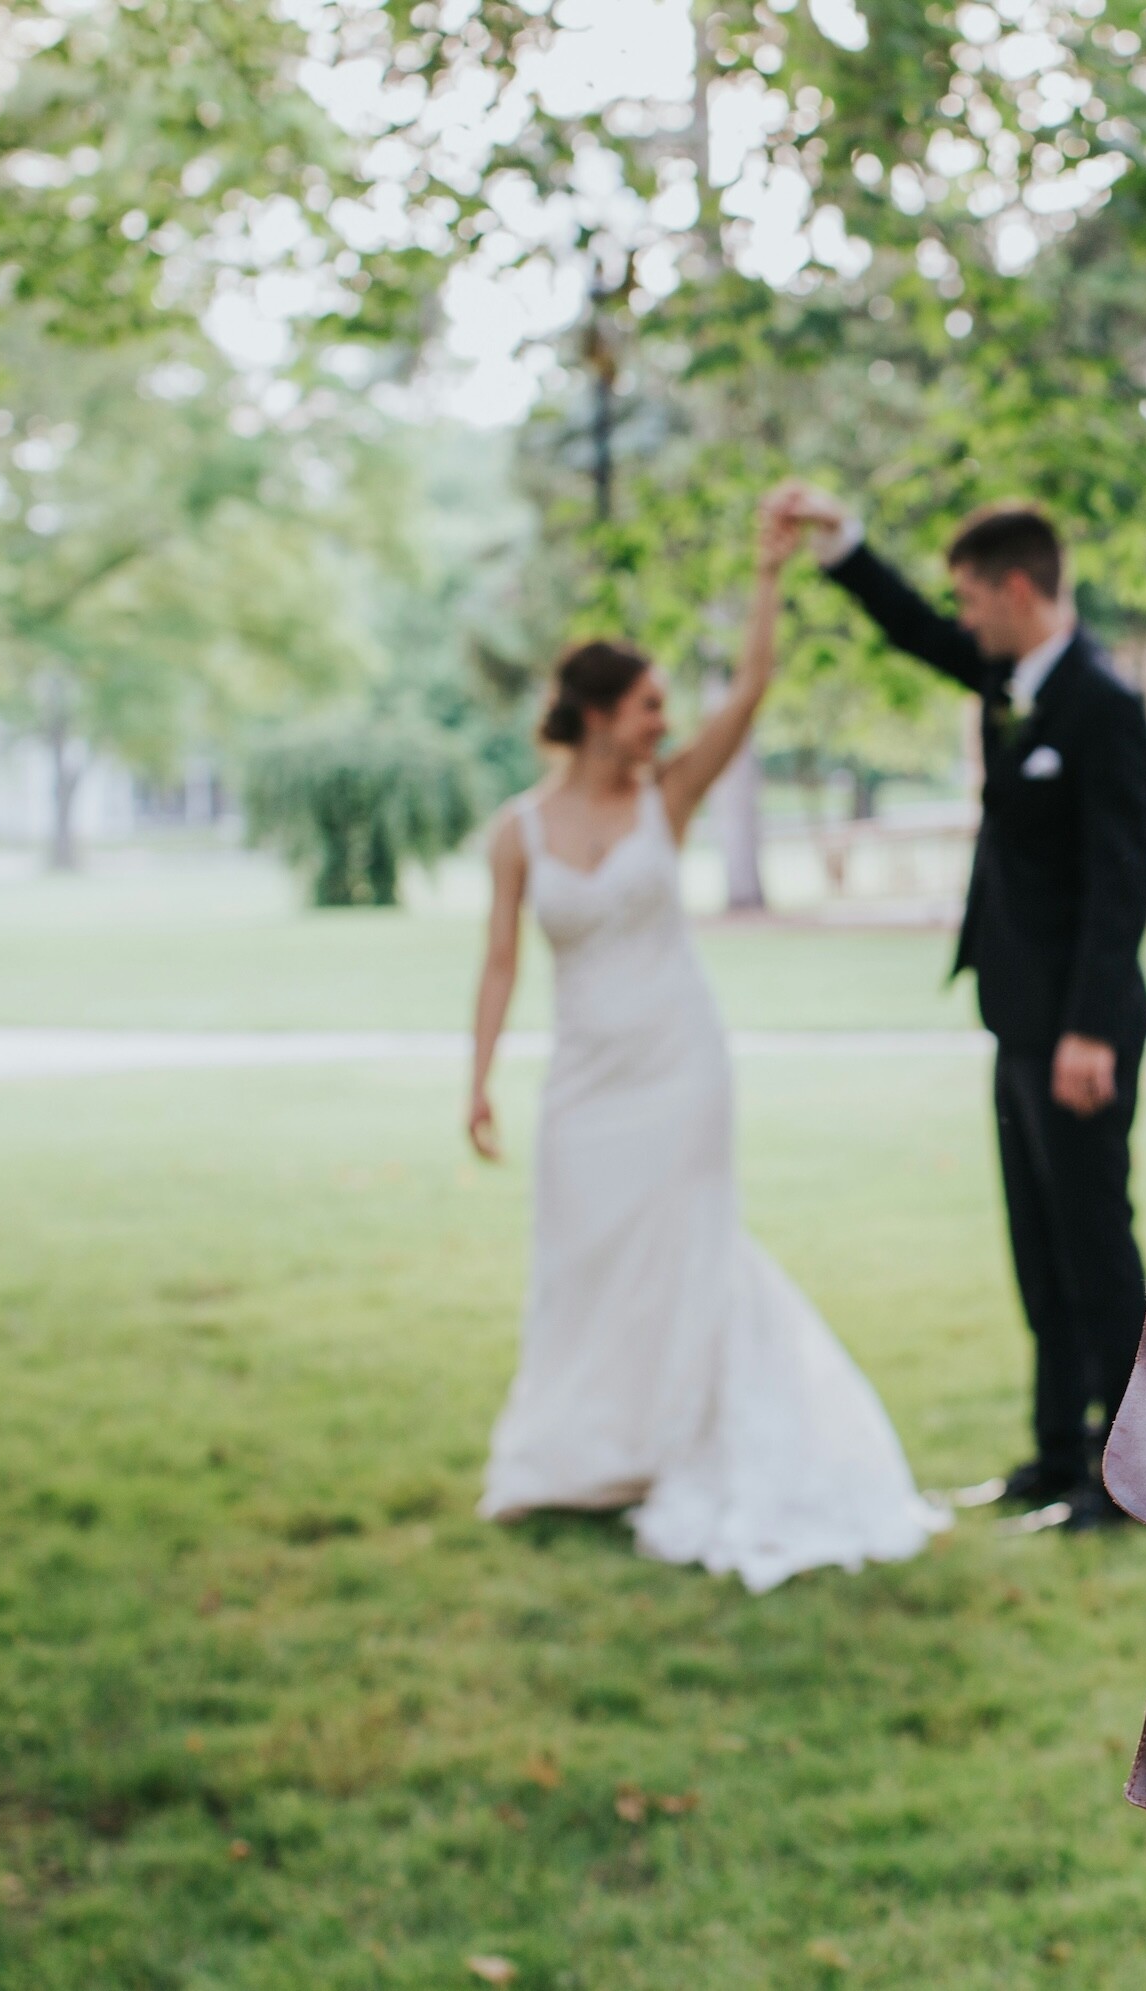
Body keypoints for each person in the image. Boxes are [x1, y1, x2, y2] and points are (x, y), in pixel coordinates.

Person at [466, 499, 944, 1589]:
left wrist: (769, 572)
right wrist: (480, 1078)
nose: (659, 724)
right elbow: (499, 962)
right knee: (584, 1257)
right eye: (642, 707)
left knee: (684, 1249)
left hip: (679, 1062)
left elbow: (752, 691)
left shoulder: (667, 798)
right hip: (585, 1077)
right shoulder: (517, 831)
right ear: (592, 713)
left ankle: (676, 1438)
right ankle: (579, 1451)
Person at [769, 485, 1146, 1533]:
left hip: (1083, 1029)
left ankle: (1124, 1476)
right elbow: (912, 631)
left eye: (973, 598)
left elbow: (1120, 883)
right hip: (1016, 1015)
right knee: (1036, 1243)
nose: (965, 618)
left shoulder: (1103, 705)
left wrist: (1086, 1027)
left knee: (1094, 1245)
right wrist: (842, 547)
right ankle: (1051, 1453)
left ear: (1019, 588)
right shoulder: (1007, 680)